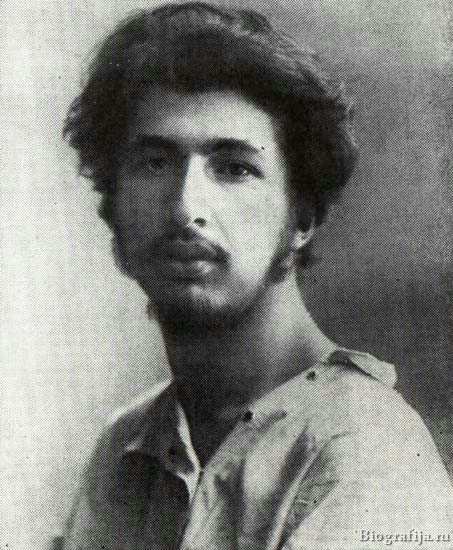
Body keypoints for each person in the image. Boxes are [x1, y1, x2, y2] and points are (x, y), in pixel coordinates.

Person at [60, 3, 453, 549]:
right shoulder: (127, 446)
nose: (184, 208)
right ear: (113, 211)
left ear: (301, 218)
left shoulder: (367, 454)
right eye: (154, 162)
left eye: (233, 168)